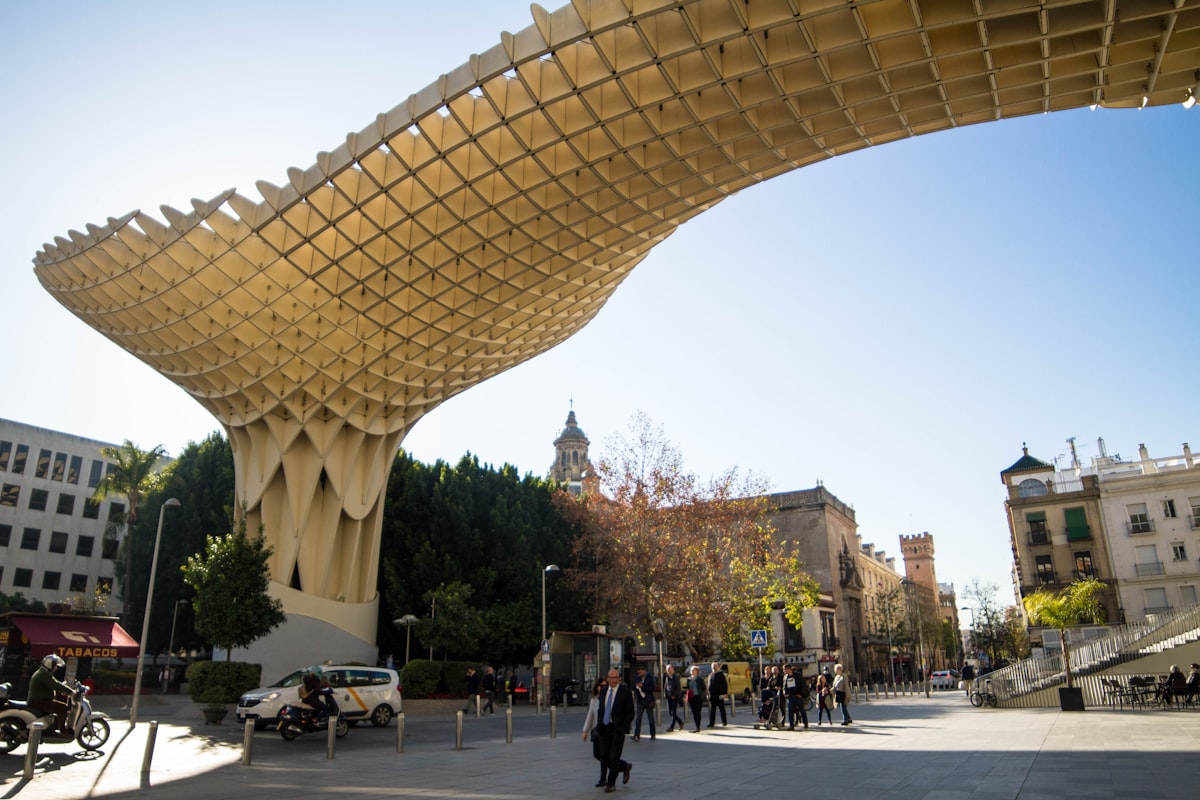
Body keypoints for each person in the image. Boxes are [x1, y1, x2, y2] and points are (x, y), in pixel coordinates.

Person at [596, 668, 635, 793]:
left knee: (614, 756)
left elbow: (630, 712)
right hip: (605, 727)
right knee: (604, 756)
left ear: (619, 678)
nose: (613, 680)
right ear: (607, 679)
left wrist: (623, 726)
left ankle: (611, 783)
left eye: (615, 677)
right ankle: (624, 766)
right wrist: (599, 724)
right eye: (611, 677)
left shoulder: (625, 692)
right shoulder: (603, 691)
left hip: (617, 728)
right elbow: (601, 709)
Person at [27, 654, 73, 734]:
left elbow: (55, 683)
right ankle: (62, 730)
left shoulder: (44, 673)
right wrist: (71, 691)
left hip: (40, 701)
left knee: (57, 707)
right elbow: (54, 684)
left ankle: (52, 729)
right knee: (63, 708)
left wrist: (64, 688)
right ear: (50, 665)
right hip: (39, 702)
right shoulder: (43, 674)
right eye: (55, 666)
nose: (56, 668)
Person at [581, 678, 609, 787]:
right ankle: (622, 766)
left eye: (605, 686)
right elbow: (590, 715)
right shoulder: (594, 700)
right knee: (597, 754)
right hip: (597, 730)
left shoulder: (608, 699)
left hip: (607, 730)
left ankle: (603, 778)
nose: (603, 688)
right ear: (597, 687)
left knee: (603, 754)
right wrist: (585, 731)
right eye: (601, 686)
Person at [632, 665, 656, 741]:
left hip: (648, 700)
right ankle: (636, 735)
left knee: (651, 718)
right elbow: (634, 687)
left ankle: (652, 734)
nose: (639, 672)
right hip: (640, 700)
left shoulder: (649, 677)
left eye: (641, 670)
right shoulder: (637, 678)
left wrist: (642, 686)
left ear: (645, 671)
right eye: (638, 670)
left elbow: (652, 688)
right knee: (638, 718)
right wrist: (636, 687)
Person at [782, 663, 808, 730]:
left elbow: (803, 685)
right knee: (790, 710)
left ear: (789, 669)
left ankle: (805, 723)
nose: (784, 671)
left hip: (798, 695)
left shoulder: (797, 675)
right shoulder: (785, 677)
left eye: (785, 669)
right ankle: (791, 725)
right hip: (790, 696)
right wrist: (785, 693)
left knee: (801, 710)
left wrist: (801, 694)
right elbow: (784, 687)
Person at [663, 664, 684, 732]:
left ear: (672, 669)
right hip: (669, 697)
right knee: (671, 712)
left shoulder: (676, 677)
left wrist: (674, 695)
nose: (668, 670)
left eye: (669, 668)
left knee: (673, 712)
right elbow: (666, 686)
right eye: (667, 669)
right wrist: (665, 694)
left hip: (674, 697)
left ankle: (672, 727)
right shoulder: (667, 677)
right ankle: (680, 722)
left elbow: (678, 688)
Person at [707, 661, 728, 727]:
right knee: (712, 710)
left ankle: (724, 721)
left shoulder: (721, 674)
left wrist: (725, 693)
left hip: (719, 695)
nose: (714, 668)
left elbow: (725, 684)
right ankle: (711, 723)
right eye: (713, 667)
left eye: (715, 666)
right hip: (712, 695)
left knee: (721, 709)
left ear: (718, 667)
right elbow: (708, 685)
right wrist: (708, 693)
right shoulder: (710, 675)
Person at [686, 665, 706, 732]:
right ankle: (696, 726)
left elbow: (704, 688)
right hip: (692, 697)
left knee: (697, 712)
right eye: (691, 670)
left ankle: (698, 727)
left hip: (698, 697)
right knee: (694, 712)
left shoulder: (699, 679)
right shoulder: (689, 679)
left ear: (697, 671)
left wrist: (703, 695)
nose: (692, 671)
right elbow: (688, 688)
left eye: (694, 670)